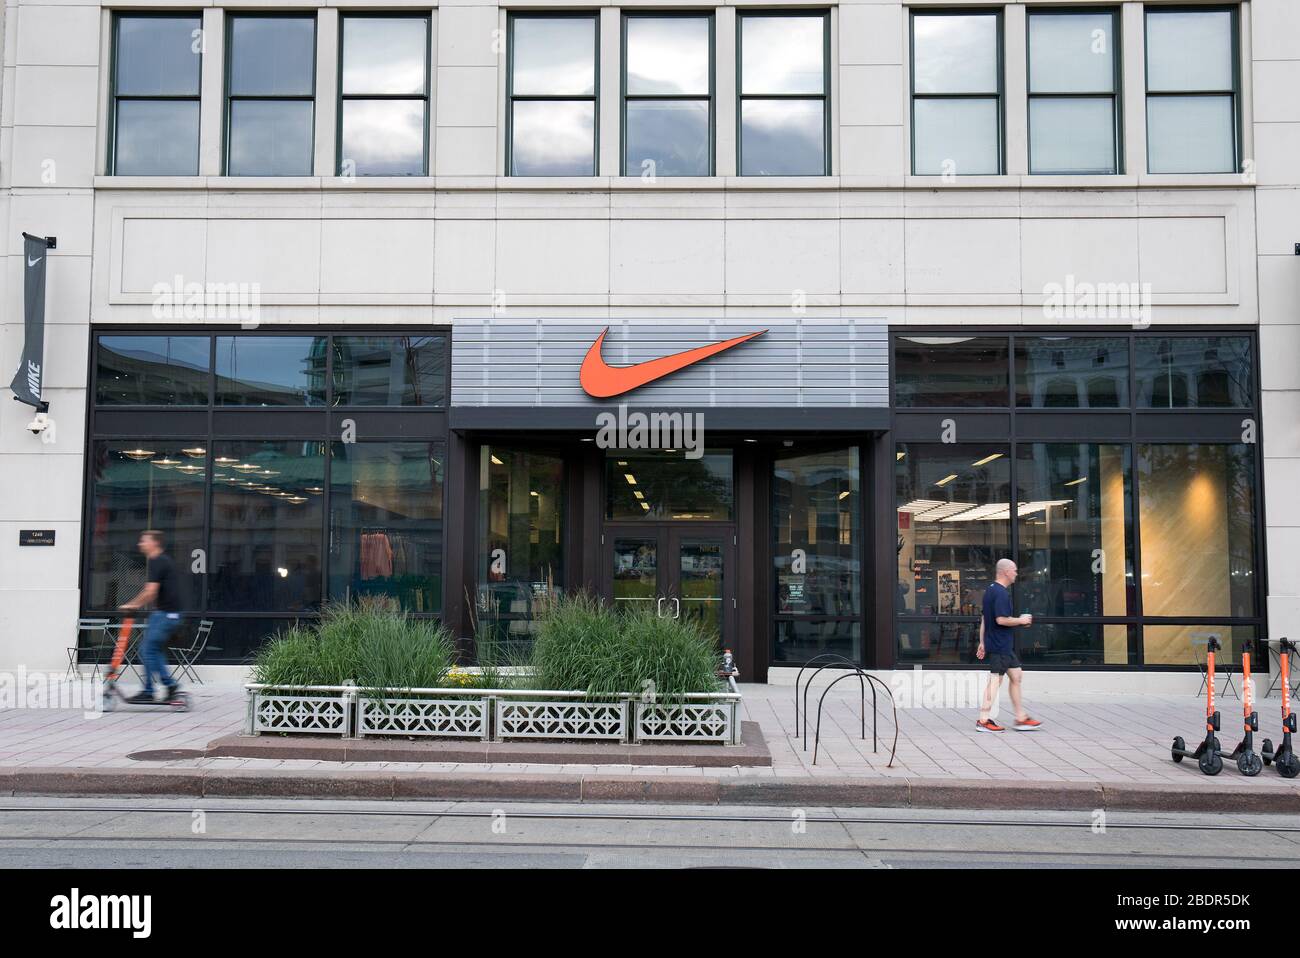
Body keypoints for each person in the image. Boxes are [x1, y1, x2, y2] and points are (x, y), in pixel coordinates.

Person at [975, 558, 1042, 732]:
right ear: (1006, 572)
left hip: (1001, 645)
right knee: (995, 681)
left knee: (1016, 676)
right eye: (1014, 570)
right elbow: (1000, 619)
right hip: (1000, 645)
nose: (1016, 574)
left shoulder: (990, 591)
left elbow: (985, 619)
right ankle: (983, 720)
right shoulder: (1001, 593)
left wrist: (982, 642)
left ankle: (1020, 717)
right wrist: (1021, 620)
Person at [119, 530, 183, 704]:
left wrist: (132, 605)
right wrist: (134, 604)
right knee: (152, 650)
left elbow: (150, 591)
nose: (140, 544)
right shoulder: (161, 561)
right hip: (165, 614)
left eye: (144, 541)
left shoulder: (157, 561)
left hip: (166, 615)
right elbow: (150, 591)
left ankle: (152, 689)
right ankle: (167, 686)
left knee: (147, 650)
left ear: (155, 543)